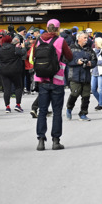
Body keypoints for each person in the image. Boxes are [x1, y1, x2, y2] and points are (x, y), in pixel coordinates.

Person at [31, 19, 70, 150]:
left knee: (42, 111)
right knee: (57, 111)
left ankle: (41, 141)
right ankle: (55, 141)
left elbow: (31, 58)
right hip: (57, 80)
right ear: (58, 29)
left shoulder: (38, 41)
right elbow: (69, 56)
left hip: (42, 80)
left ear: (47, 28)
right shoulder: (60, 41)